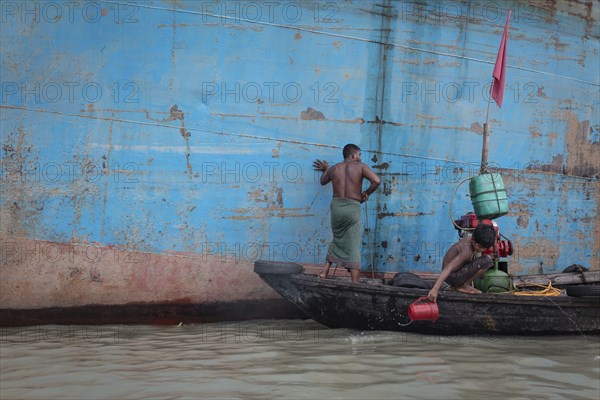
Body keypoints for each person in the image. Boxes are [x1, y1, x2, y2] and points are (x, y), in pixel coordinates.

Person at [313, 144, 381, 283]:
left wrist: (326, 169)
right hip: (352, 207)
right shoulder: (361, 167)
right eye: (359, 154)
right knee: (354, 245)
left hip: (336, 206)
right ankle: (355, 283)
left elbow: (322, 181)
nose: (360, 157)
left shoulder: (334, 168)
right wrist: (366, 193)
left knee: (337, 238)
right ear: (353, 155)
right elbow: (376, 181)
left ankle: (324, 272)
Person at [426, 224, 496, 302]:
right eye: (480, 247)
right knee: (487, 260)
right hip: (452, 277)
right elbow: (448, 268)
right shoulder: (466, 250)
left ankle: (462, 285)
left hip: (457, 273)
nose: (482, 250)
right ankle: (460, 286)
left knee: (484, 261)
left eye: (484, 248)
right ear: (473, 240)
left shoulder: (472, 240)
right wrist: (435, 289)